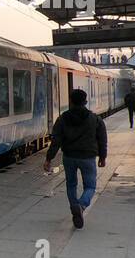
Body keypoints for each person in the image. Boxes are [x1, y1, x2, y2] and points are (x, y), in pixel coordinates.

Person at [44, 87, 108, 229]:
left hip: (69, 157)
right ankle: (82, 204)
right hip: (88, 157)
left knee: (71, 184)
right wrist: (102, 157)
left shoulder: (61, 119)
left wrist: (49, 159)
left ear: (71, 101)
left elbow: (56, 142)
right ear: (85, 101)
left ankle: (74, 206)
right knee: (90, 186)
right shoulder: (96, 119)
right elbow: (102, 140)